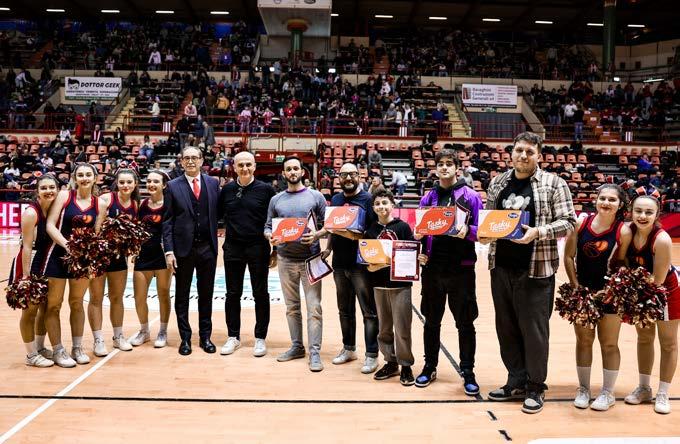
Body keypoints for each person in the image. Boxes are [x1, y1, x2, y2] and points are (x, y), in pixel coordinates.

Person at [480, 132, 576, 414]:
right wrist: (484, 235)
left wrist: (538, 232)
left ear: (539, 156)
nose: (523, 155)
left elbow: (569, 222)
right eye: (519, 150)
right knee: (506, 328)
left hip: (536, 270)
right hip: (501, 267)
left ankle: (535, 386)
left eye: (529, 152)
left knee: (534, 332)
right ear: (511, 152)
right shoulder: (498, 182)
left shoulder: (554, 183)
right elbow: (490, 221)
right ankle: (516, 381)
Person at [414, 149, 484, 394]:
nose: (444, 167)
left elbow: (482, 231)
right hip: (433, 269)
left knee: (465, 323)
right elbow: (422, 231)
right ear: (436, 168)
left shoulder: (471, 196)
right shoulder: (428, 198)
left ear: (457, 168)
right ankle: (429, 367)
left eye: (449, 164)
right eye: (440, 164)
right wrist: (421, 248)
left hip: (461, 270)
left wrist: (468, 231)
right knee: (431, 322)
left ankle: (468, 371)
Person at [563, 184, 631, 411]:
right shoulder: (581, 223)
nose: (606, 203)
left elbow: (623, 265)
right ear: (596, 200)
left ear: (620, 204)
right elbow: (569, 256)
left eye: (612, 199)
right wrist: (576, 287)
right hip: (583, 292)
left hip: (610, 295)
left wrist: (610, 290)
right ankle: (583, 389)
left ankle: (607, 392)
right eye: (603, 198)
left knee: (609, 343)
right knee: (583, 341)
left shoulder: (623, 231)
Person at [264, 156, 327, 371]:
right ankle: (297, 346)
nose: (292, 172)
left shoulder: (316, 196)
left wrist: (317, 235)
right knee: (292, 308)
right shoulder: (276, 200)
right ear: (283, 173)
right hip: (286, 260)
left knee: (314, 308)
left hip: (311, 260)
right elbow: (268, 226)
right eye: (288, 169)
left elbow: (328, 225)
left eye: (295, 168)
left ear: (302, 171)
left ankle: (315, 352)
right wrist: (270, 237)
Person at [44, 163, 107, 367]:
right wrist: (68, 245)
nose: (85, 178)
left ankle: (77, 347)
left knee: (77, 302)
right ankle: (58, 350)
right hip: (58, 256)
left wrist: (90, 256)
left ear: (95, 178)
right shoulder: (64, 196)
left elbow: (97, 234)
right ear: (75, 178)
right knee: (54, 304)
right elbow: (50, 225)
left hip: (82, 260)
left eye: (88, 174)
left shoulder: (100, 204)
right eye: (80, 175)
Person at [623, 191, 680, 415]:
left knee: (668, 343)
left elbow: (658, 280)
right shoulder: (627, 232)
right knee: (645, 338)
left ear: (657, 215)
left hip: (665, 291)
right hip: (641, 289)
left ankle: (663, 392)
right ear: (631, 212)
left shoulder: (662, 239)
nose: (643, 216)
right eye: (638, 211)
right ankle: (644, 388)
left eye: (649, 212)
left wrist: (629, 286)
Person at [218, 151, 276, 357]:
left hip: (258, 248)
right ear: (234, 167)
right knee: (232, 294)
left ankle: (260, 338)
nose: (244, 168)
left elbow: (275, 220)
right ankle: (233, 336)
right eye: (240, 165)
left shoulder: (266, 190)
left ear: (254, 167)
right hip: (233, 248)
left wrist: (276, 250)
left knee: (260, 293)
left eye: (248, 164)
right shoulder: (226, 190)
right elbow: (217, 215)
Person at [163, 146, 220, 356]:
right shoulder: (172, 186)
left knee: (206, 294)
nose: (190, 161)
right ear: (181, 162)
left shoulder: (213, 183)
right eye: (186, 158)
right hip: (182, 250)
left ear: (202, 160)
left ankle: (205, 337)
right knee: (182, 295)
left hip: (207, 248)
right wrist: (169, 251)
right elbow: (167, 222)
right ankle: (185, 338)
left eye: (194, 157)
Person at [324, 162, 379, 374]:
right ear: (339, 177)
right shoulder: (336, 199)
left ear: (359, 176)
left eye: (352, 174)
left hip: (360, 264)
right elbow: (332, 228)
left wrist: (354, 235)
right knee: (344, 310)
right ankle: (349, 349)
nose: (348, 178)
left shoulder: (368, 199)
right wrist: (328, 248)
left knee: (368, 311)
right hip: (339, 263)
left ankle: (372, 355)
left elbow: (373, 232)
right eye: (344, 174)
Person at [365, 188, 416, 386]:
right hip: (379, 286)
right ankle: (390, 362)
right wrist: (372, 266)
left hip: (401, 285)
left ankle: (406, 365)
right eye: (377, 204)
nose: (381, 207)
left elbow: (411, 254)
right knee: (384, 329)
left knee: (402, 329)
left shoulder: (402, 227)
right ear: (373, 208)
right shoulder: (371, 231)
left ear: (392, 205)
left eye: (385, 203)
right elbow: (367, 261)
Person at [87, 169, 139, 357]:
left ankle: (118, 336)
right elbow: (95, 227)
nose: (125, 185)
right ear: (116, 183)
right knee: (96, 298)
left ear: (135, 184)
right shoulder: (106, 199)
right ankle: (98, 340)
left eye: (129, 182)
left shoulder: (135, 204)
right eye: (122, 182)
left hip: (119, 258)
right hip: (99, 256)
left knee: (117, 297)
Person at [10, 175, 59, 367]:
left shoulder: (53, 210)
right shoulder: (31, 213)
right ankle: (31, 355)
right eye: (44, 188)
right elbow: (27, 247)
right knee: (29, 311)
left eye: (52, 187)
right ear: (37, 191)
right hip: (29, 263)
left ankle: (39, 347)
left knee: (44, 308)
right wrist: (26, 276)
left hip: (45, 263)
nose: (48, 191)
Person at [129, 171, 172, 348]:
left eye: (156, 181)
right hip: (144, 255)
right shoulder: (142, 204)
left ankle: (163, 331)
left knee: (163, 294)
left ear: (164, 185)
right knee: (139, 297)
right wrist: (134, 248)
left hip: (162, 256)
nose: (151, 184)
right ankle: (144, 331)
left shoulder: (170, 204)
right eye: (149, 181)